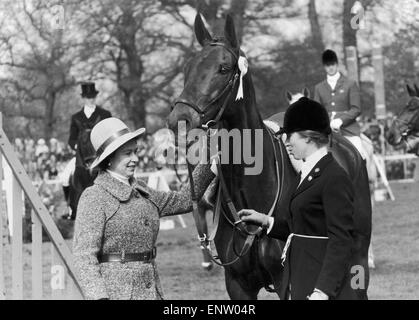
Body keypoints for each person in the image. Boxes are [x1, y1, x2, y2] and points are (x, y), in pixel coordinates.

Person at [72, 118, 215, 300]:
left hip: (152, 291)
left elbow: (184, 200)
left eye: (135, 152)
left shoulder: (142, 190)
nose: (135, 159)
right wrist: (99, 297)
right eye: (127, 154)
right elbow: (84, 257)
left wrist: (211, 161)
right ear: (108, 159)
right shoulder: (94, 196)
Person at [238, 97, 361, 300]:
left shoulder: (334, 177)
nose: (286, 142)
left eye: (289, 135)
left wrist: (322, 292)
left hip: (323, 287)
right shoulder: (305, 173)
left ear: (308, 137)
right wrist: (267, 221)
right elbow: (304, 229)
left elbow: (341, 241)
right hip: (302, 280)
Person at [67, 82, 112, 219]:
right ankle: (71, 210)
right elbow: (71, 139)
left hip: (100, 154)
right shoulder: (76, 117)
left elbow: (110, 134)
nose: (90, 99)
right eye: (87, 97)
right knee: (65, 177)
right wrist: (79, 147)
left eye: (92, 97)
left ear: (95, 97)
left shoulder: (104, 114)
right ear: (83, 98)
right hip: (81, 155)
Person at [314, 49, 367, 160]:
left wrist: (341, 120)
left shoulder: (350, 84)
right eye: (328, 65)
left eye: (332, 64)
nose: (331, 67)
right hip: (326, 132)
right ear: (324, 67)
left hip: (349, 130)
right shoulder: (319, 88)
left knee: (359, 153)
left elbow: (356, 109)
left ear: (337, 64)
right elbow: (317, 112)